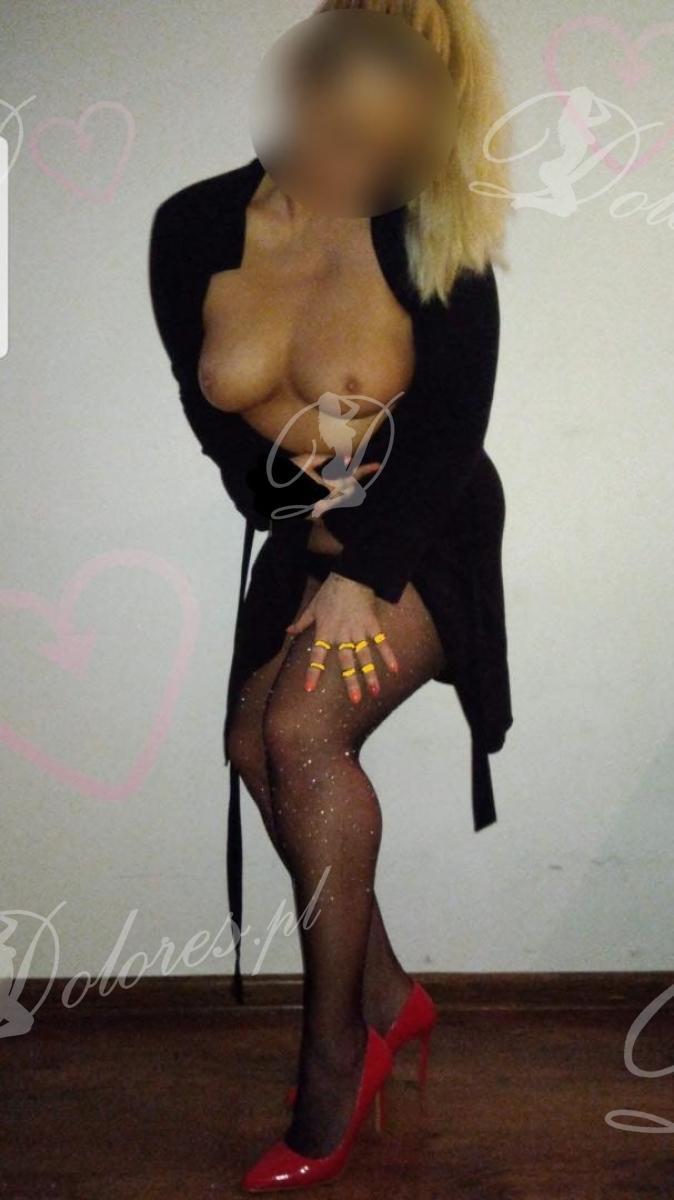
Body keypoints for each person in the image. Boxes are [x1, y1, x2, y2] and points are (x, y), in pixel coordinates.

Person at [148, 0, 514, 1189]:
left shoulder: (430, 231)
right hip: (300, 531)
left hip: (426, 529)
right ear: (301, 88)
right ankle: (394, 998)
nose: (367, 163)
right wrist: (299, 508)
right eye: (348, 130)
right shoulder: (194, 224)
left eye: (396, 139)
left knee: (302, 730)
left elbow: (450, 431)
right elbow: (215, 421)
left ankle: (333, 1064)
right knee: (249, 745)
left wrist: (363, 570)